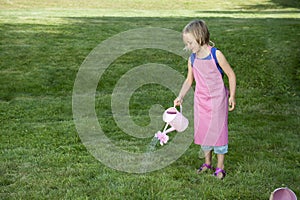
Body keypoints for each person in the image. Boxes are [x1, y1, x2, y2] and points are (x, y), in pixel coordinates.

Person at [174, 20, 236, 179]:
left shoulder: (216, 54)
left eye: (190, 42)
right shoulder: (192, 59)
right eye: (186, 43)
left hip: (218, 101)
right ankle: (207, 163)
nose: (188, 46)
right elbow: (189, 80)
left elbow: (230, 74)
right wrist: (180, 96)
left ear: (200, 37)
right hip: (201, 102)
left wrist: (232, 96)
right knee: (204, 132)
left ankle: (220, 167)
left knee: (219, 132)